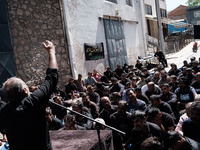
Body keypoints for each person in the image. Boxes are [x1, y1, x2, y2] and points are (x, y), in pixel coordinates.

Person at [0, 40, 58, 150]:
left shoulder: (4, 112)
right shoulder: (34, 101)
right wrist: (51, 51)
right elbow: (52, 77)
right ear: (25, 91)